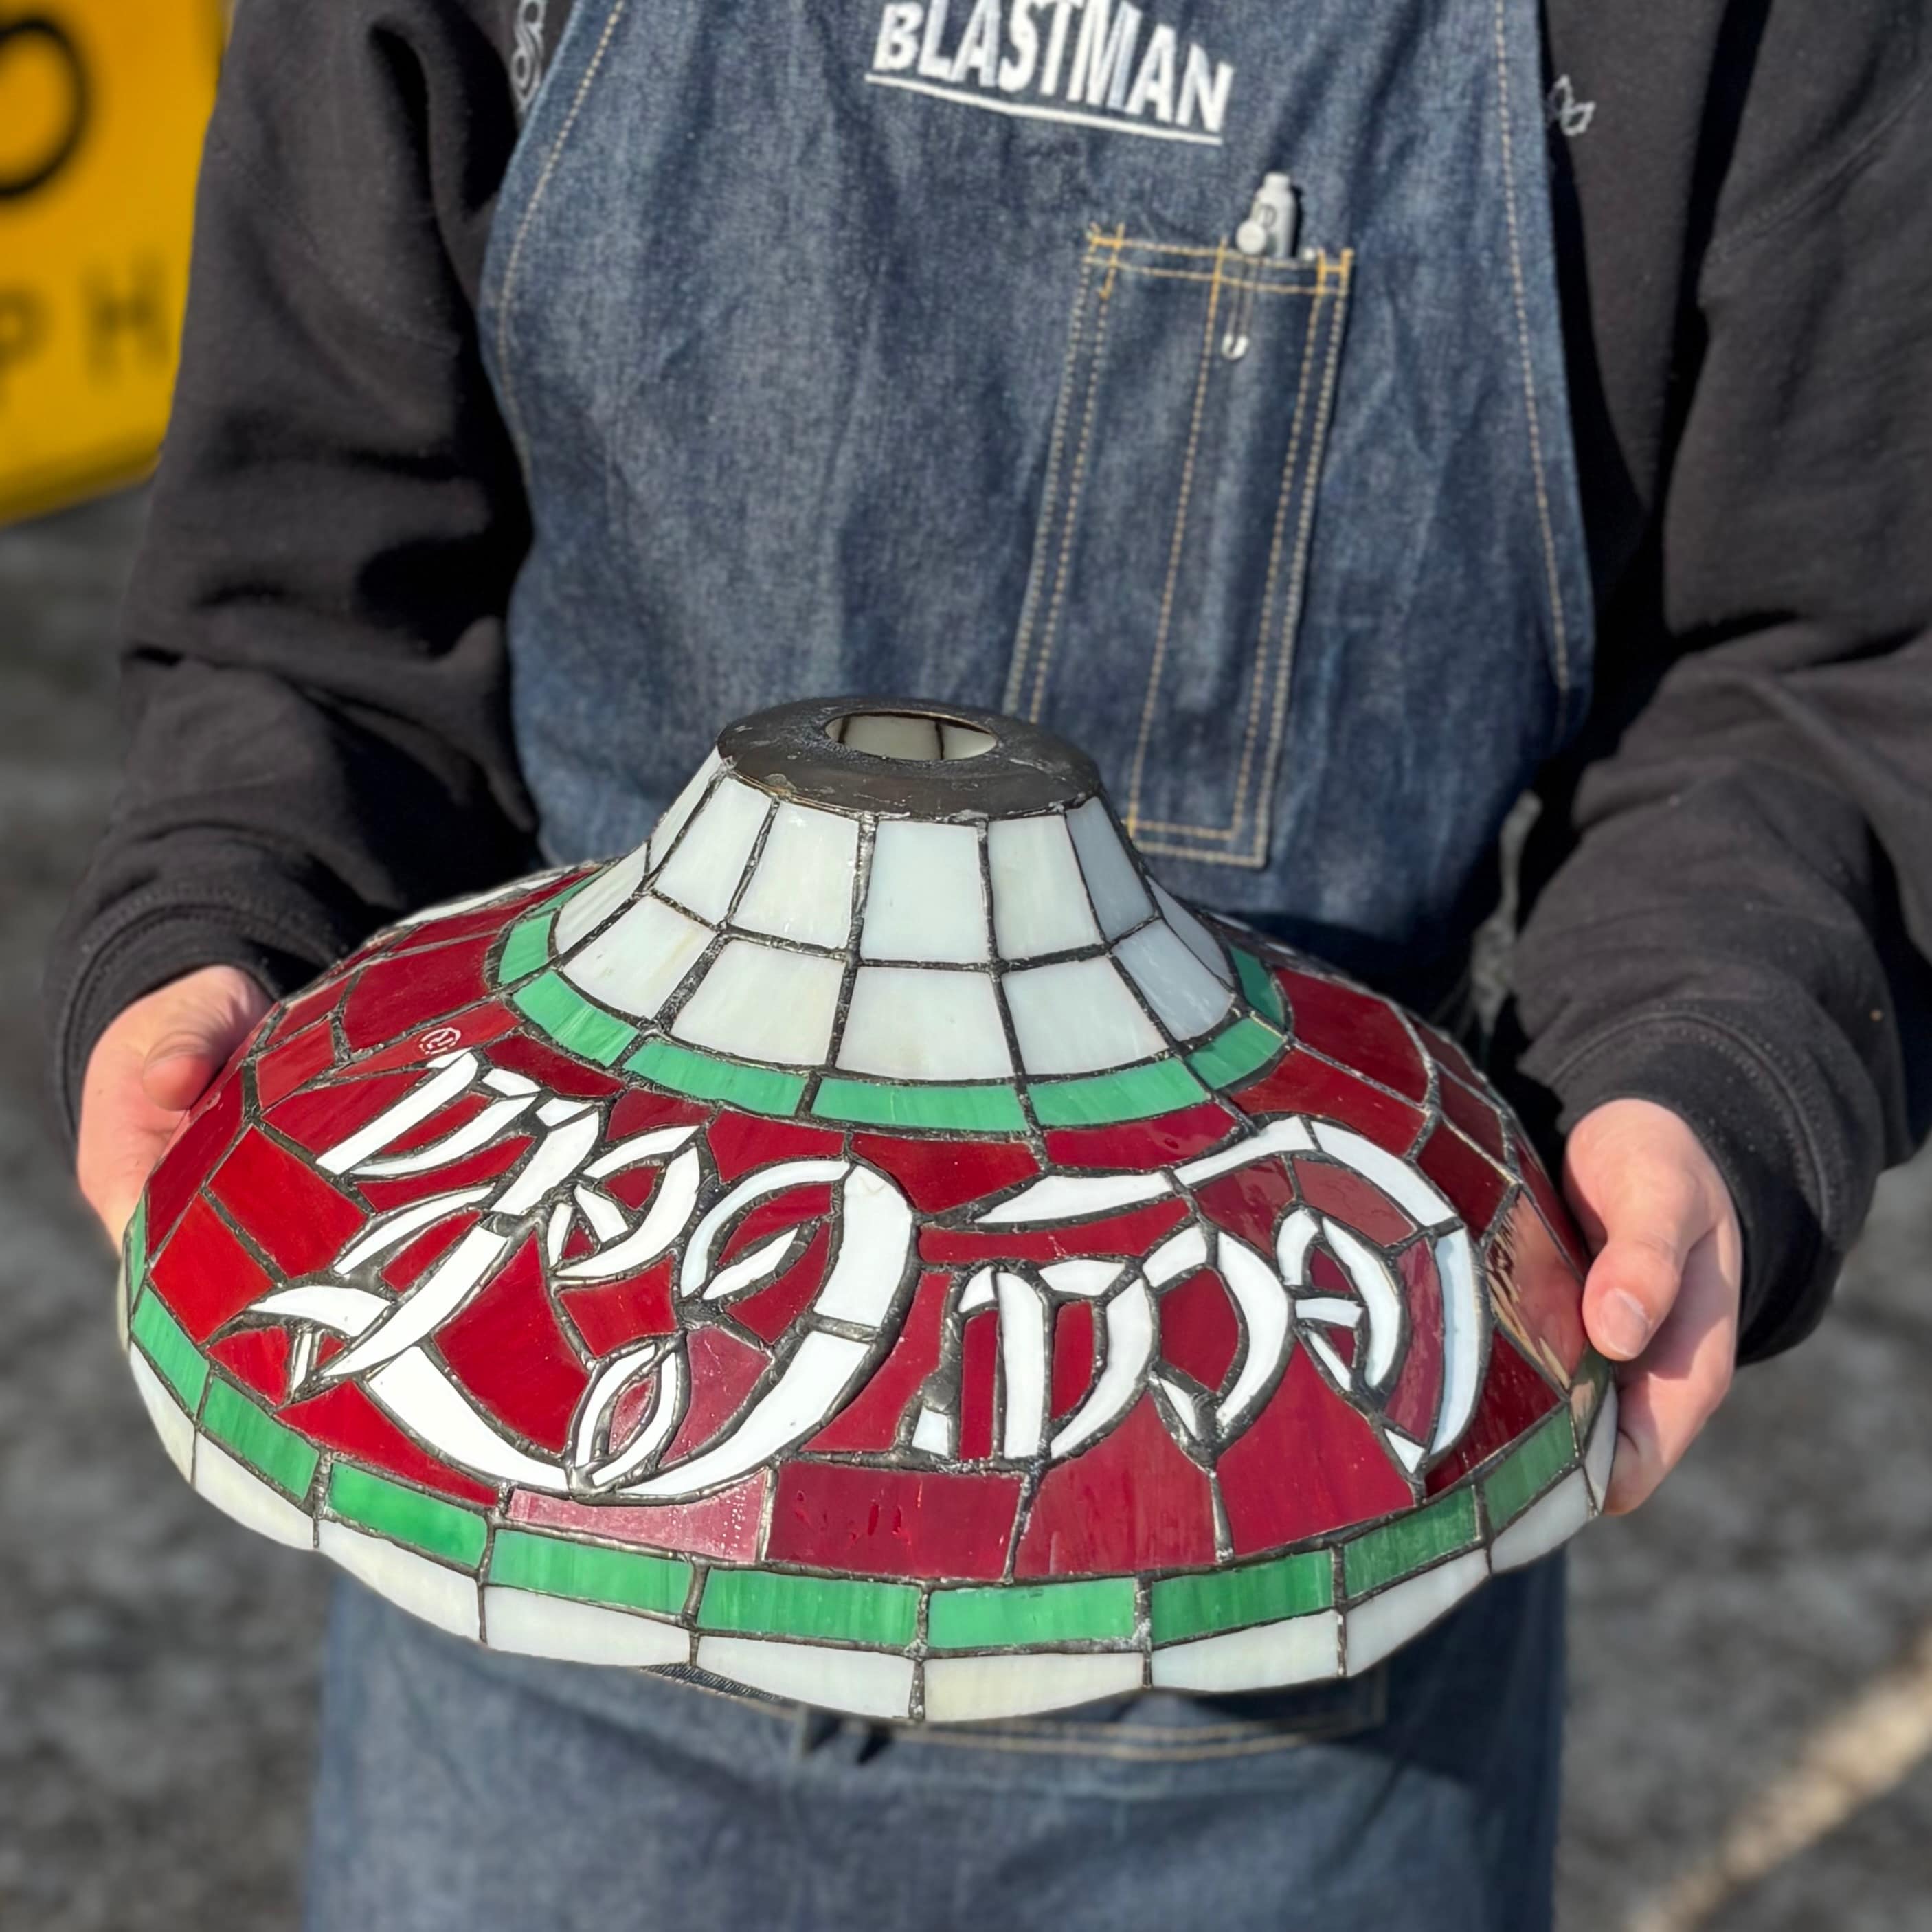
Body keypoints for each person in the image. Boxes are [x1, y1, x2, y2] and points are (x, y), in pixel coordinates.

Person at [49, 1, 1932, 1927]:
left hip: (1286, 1549)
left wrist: (1703, 1061)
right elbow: (316, 567)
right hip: (541, 1476)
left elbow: (1815, 659)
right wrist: (234, 902)